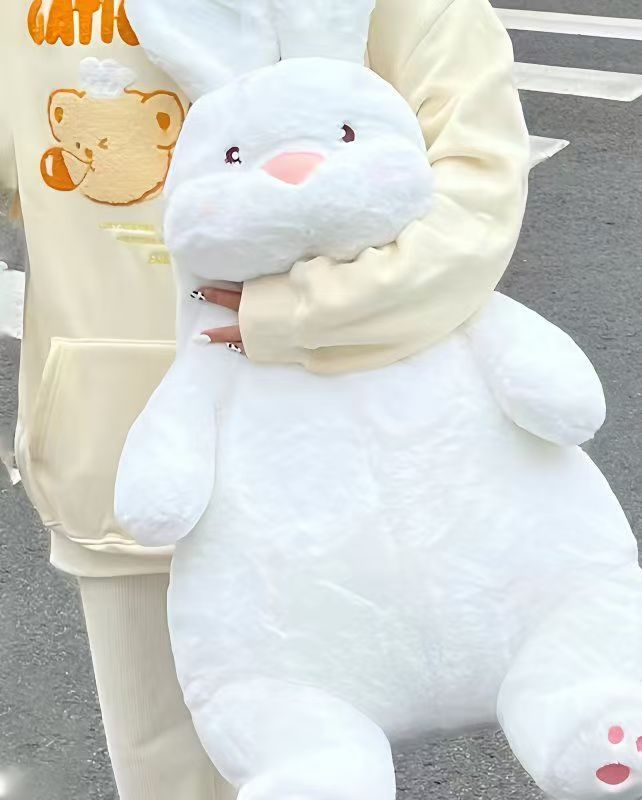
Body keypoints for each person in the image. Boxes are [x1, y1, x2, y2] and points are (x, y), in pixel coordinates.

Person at [0, 0, 530, 797]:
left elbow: (474, 208)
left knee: (325, 765)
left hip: (348, 454)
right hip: (122, 452)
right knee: (169, 777)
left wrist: (284, 316)